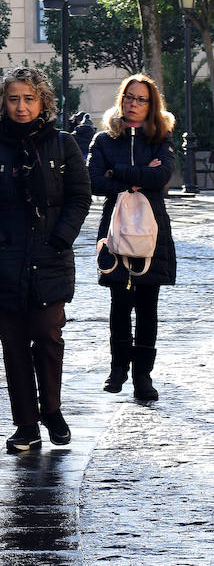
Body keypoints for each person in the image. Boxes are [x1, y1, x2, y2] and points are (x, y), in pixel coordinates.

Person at [0, 66, 90, 453]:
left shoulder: (63, 144)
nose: (21, 107)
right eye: (14, 99)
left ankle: (51, 409)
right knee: (14, 345)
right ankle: (26, 424)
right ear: (4, 103)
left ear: (43, 102)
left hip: (49, 256)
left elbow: (79, 197)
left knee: (49, 336)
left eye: (29, 99)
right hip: (4, 259)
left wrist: (60, 237)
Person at [87, 74, 176, 401]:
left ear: (152, 105)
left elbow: (162, 175)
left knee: (148, 305)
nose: (133, 104)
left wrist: (120, 173)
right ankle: (118, 367)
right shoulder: (105, 139)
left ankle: (143, 376)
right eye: (129, 97)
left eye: (141, 99)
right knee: (119, 303)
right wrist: (138, 178)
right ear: (121, 99)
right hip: (115, 226)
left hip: (152, 229)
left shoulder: (161, 138)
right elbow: (94, 181)